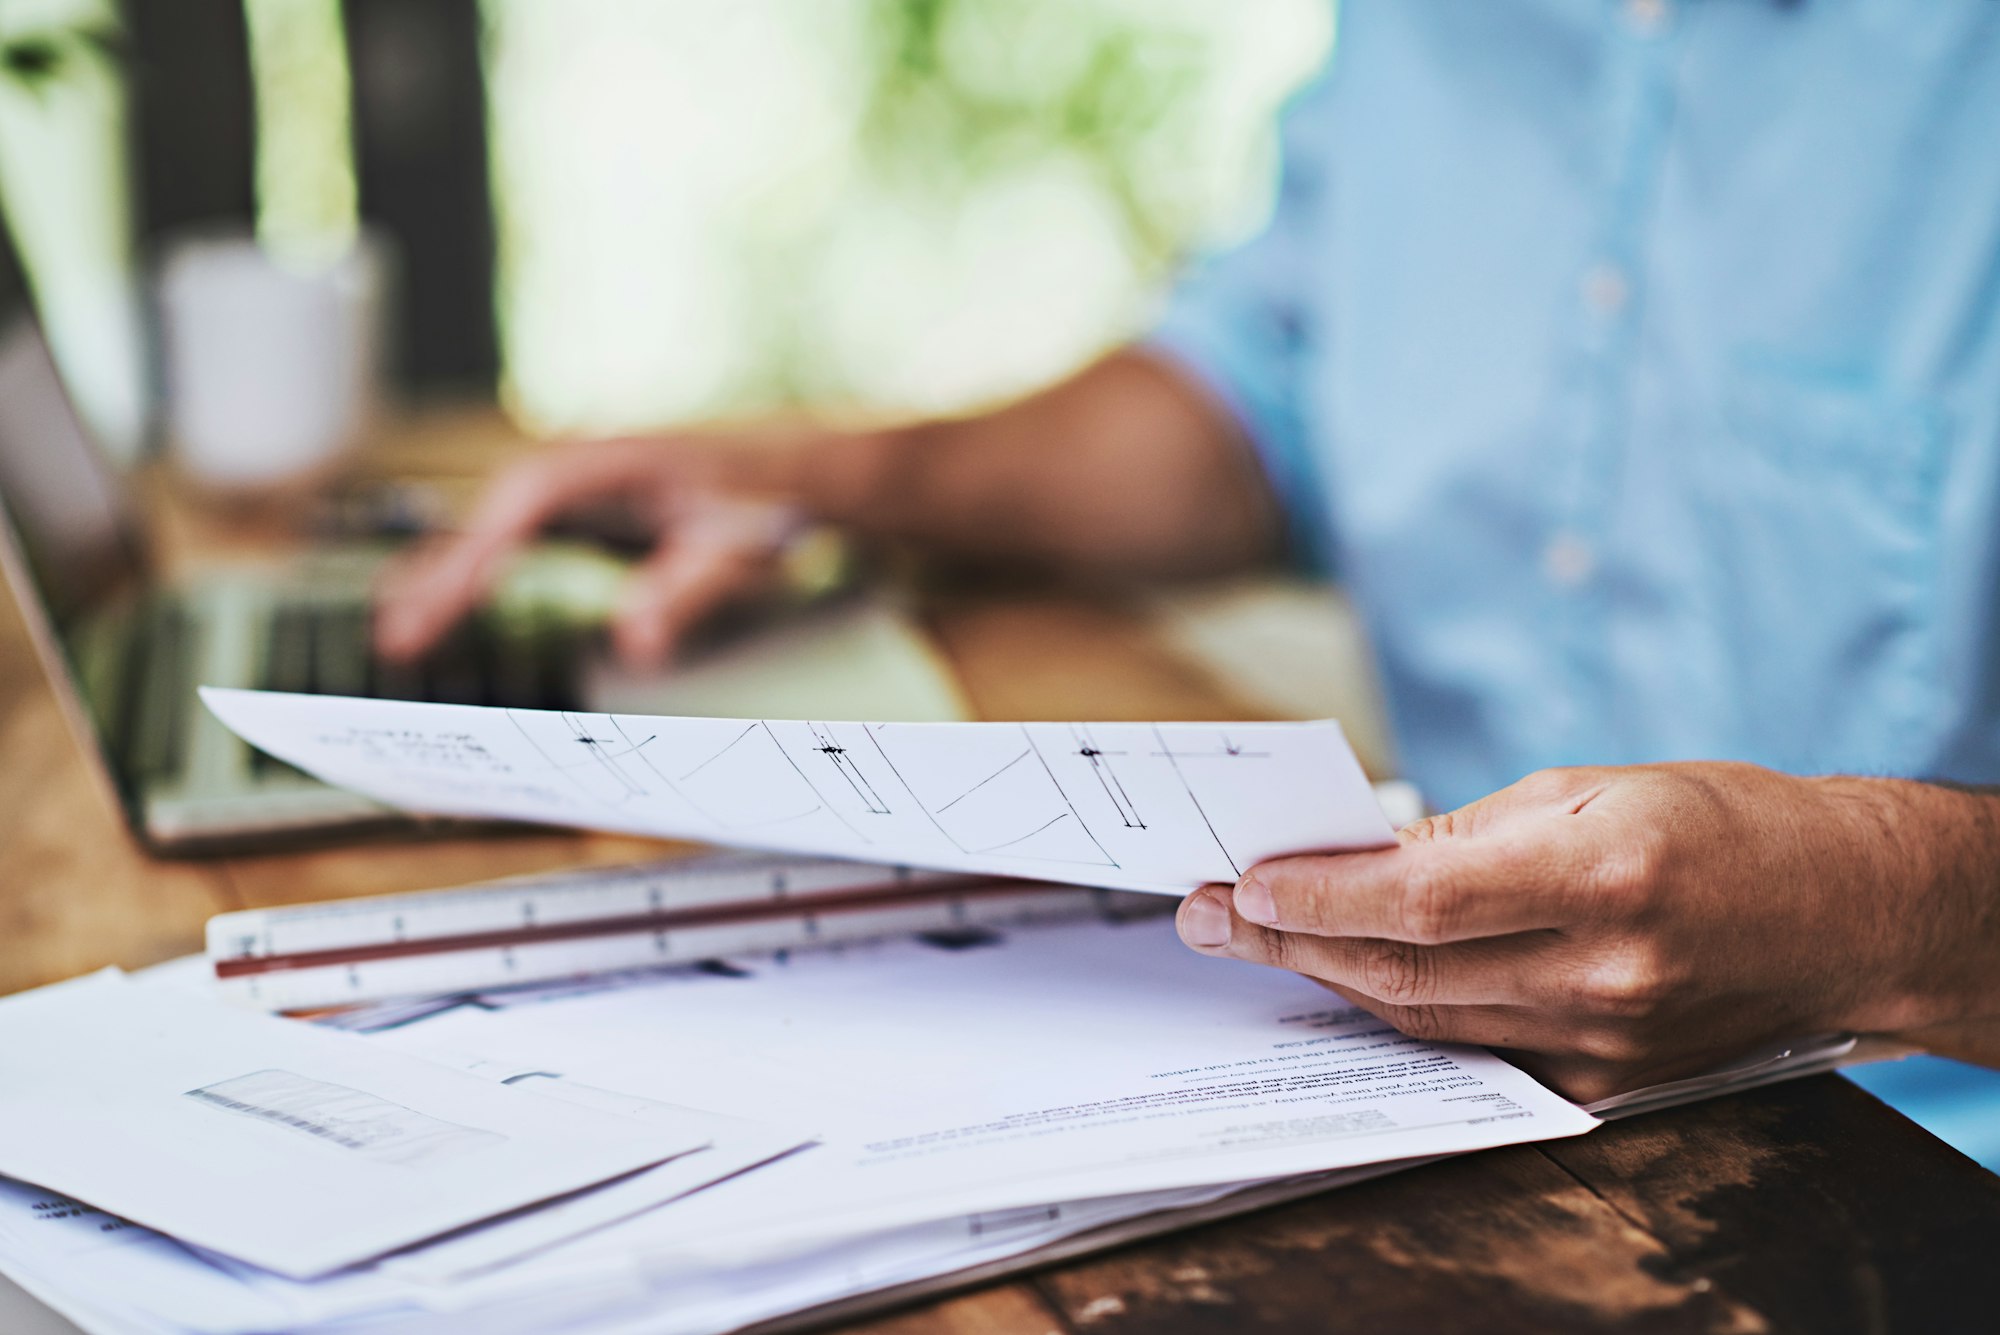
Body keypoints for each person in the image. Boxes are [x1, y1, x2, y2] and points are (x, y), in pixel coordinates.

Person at [376, 2, 2000, 1111]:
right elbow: (1254, 398)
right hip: (1429, 1090)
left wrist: (1885, 914)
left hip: (1919, 1153)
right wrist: (836, 472)